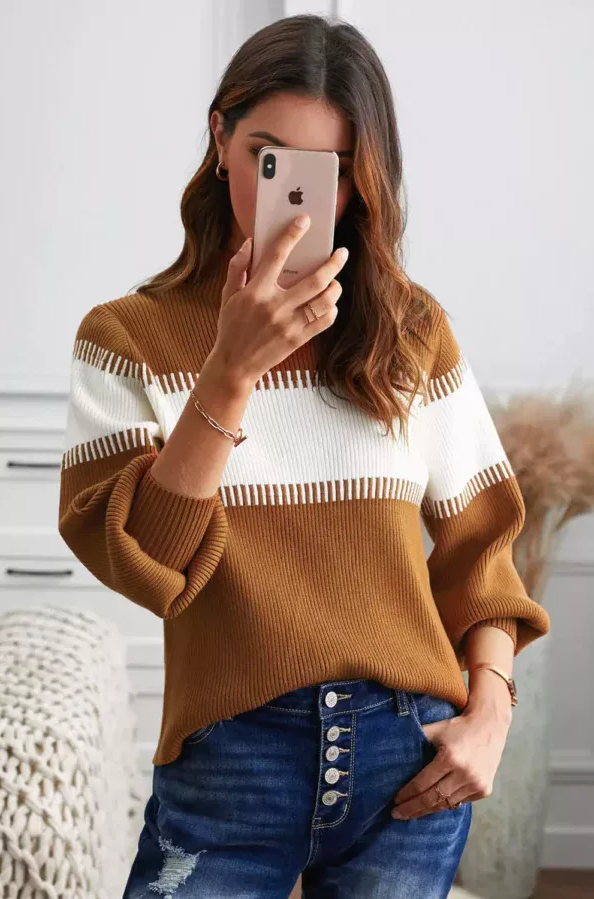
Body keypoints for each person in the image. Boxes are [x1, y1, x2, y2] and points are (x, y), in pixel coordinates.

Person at [58, 13, 550, 899]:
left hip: (409, 759)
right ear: (219, 140)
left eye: (330, 171)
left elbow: (483, 552)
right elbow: (150, 564)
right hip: (230, 763)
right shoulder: (125, 338)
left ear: (362, 181)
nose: (291, 193)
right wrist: (229, 371)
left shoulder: (412, 332)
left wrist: (491, 713)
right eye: (266, 155)